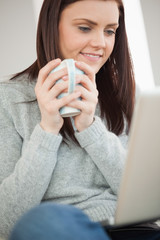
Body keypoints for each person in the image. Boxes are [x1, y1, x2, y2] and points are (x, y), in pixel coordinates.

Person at [0, 0, 160, 239]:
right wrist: (48, 129)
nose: (100, 43)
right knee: (43, 220)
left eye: (109, 31)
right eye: (85, 27)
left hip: (134, 230)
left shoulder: (129, 95)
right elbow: (7, 220)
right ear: (51, 27)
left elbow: (147, 200)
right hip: (63, 231)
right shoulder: (9, 98)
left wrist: (89, 127)